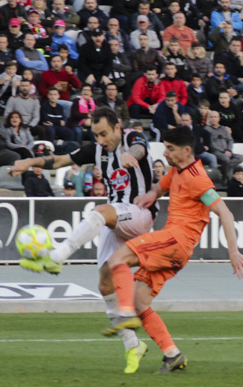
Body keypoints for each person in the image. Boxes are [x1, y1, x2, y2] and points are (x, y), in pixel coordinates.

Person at [12, 107, 158, 372]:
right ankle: (133, 345)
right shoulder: (97, 150)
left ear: (118, 126)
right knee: (105, 286)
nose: (101, 140)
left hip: (140, 213)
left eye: (104, 134)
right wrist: (29, 163)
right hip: (116, 219)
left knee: (99, 211)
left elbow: (140, 149)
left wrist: (129, 155)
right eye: (96, 135)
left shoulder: (133, 139)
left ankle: (56, 257)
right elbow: (58, 161)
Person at [105, 126, 243, 374]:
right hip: (175, 250)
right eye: (165, 147)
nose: (166, 152)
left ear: (186, 151)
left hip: (176, 241)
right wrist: (151, 195)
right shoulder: (176, 171)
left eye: (171, 149)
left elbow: (225, 212)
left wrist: (233, 251)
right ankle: (172, 354)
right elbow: (160, 188)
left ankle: (124, 315)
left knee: (117, 258)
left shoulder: (198, 179)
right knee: (141, 300)